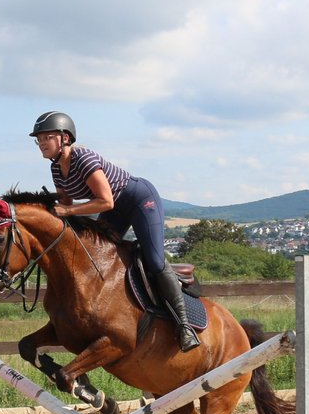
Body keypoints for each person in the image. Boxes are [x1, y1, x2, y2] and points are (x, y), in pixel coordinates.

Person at [29, 110, 199, 352]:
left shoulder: (83, 159)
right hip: (115, 208)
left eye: (47, 138)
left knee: (153, 260)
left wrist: (66, 212)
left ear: (65, 137)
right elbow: (65, 206)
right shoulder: (56, 168)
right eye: (39, 140)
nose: (42, 144)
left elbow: (105, 201)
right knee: (98, 258)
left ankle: (184, 327)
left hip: (138, 200)